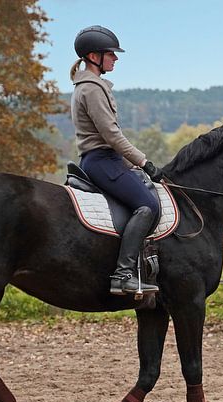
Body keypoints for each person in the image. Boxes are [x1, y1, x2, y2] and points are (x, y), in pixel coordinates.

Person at [70, 25, 162, 296]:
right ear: (93, 56)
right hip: (102, 161)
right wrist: (144, 162)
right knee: (147, 206)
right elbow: (111, 135)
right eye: (110, 53)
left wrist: (132, 164)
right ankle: (123, 274)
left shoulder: (90, 86)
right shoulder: (91, 89)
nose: (115, 58)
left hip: (104, 160)